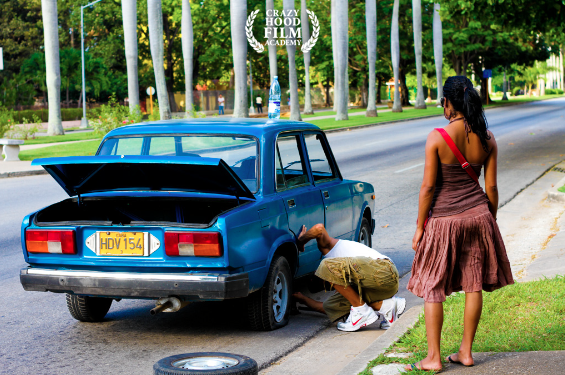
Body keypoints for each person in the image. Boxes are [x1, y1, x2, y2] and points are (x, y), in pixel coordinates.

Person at [405, 76, 514, 372]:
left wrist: (419, 227)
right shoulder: (487, 138)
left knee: (433, 286)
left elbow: (428, 188)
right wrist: (488, 218)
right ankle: (465, 352)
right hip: (479, 216)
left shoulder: (438, 137)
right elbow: (491, 188)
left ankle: (434, 358)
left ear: (447, 102)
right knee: (473, 283)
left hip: (444, 221)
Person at [292, 224, 406, 332]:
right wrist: (301, 299)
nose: (328, 281)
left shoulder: (328, 250)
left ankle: (362, 312)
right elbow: (324, 307)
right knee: (346, 303)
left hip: (385, 270)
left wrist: (300, 241)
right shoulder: (348, 288)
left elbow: (319, 228)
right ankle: (389, 306)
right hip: (385, 288)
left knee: (326, 265)